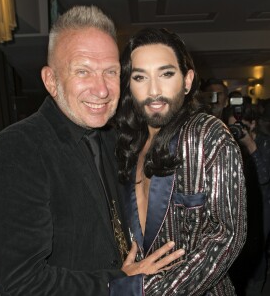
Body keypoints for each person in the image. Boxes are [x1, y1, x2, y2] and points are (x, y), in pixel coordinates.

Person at [0, 7, 183, 296]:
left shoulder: (114, 137)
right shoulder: (17, 149)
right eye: (83, 71)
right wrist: (118, 279)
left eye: (110, 72)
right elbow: (21, 283)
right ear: (51, 80)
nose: (101, 90)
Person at [110, 28, 247, 295]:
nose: (154, 90)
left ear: (187, 80)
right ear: (129, 84)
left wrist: (149, 291)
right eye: (140, 77)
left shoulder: (208, 136)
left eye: (166, 74)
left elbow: (228, 236)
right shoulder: (128, 144)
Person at [224, 95, 270, 295]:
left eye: (241, 126)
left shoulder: (264, 143)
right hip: (233, 215)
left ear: (252, 124)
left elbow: (264, 178)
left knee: (256, 266)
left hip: (261, 214)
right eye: (233, 127)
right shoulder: (224, 145)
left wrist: (251, 145)